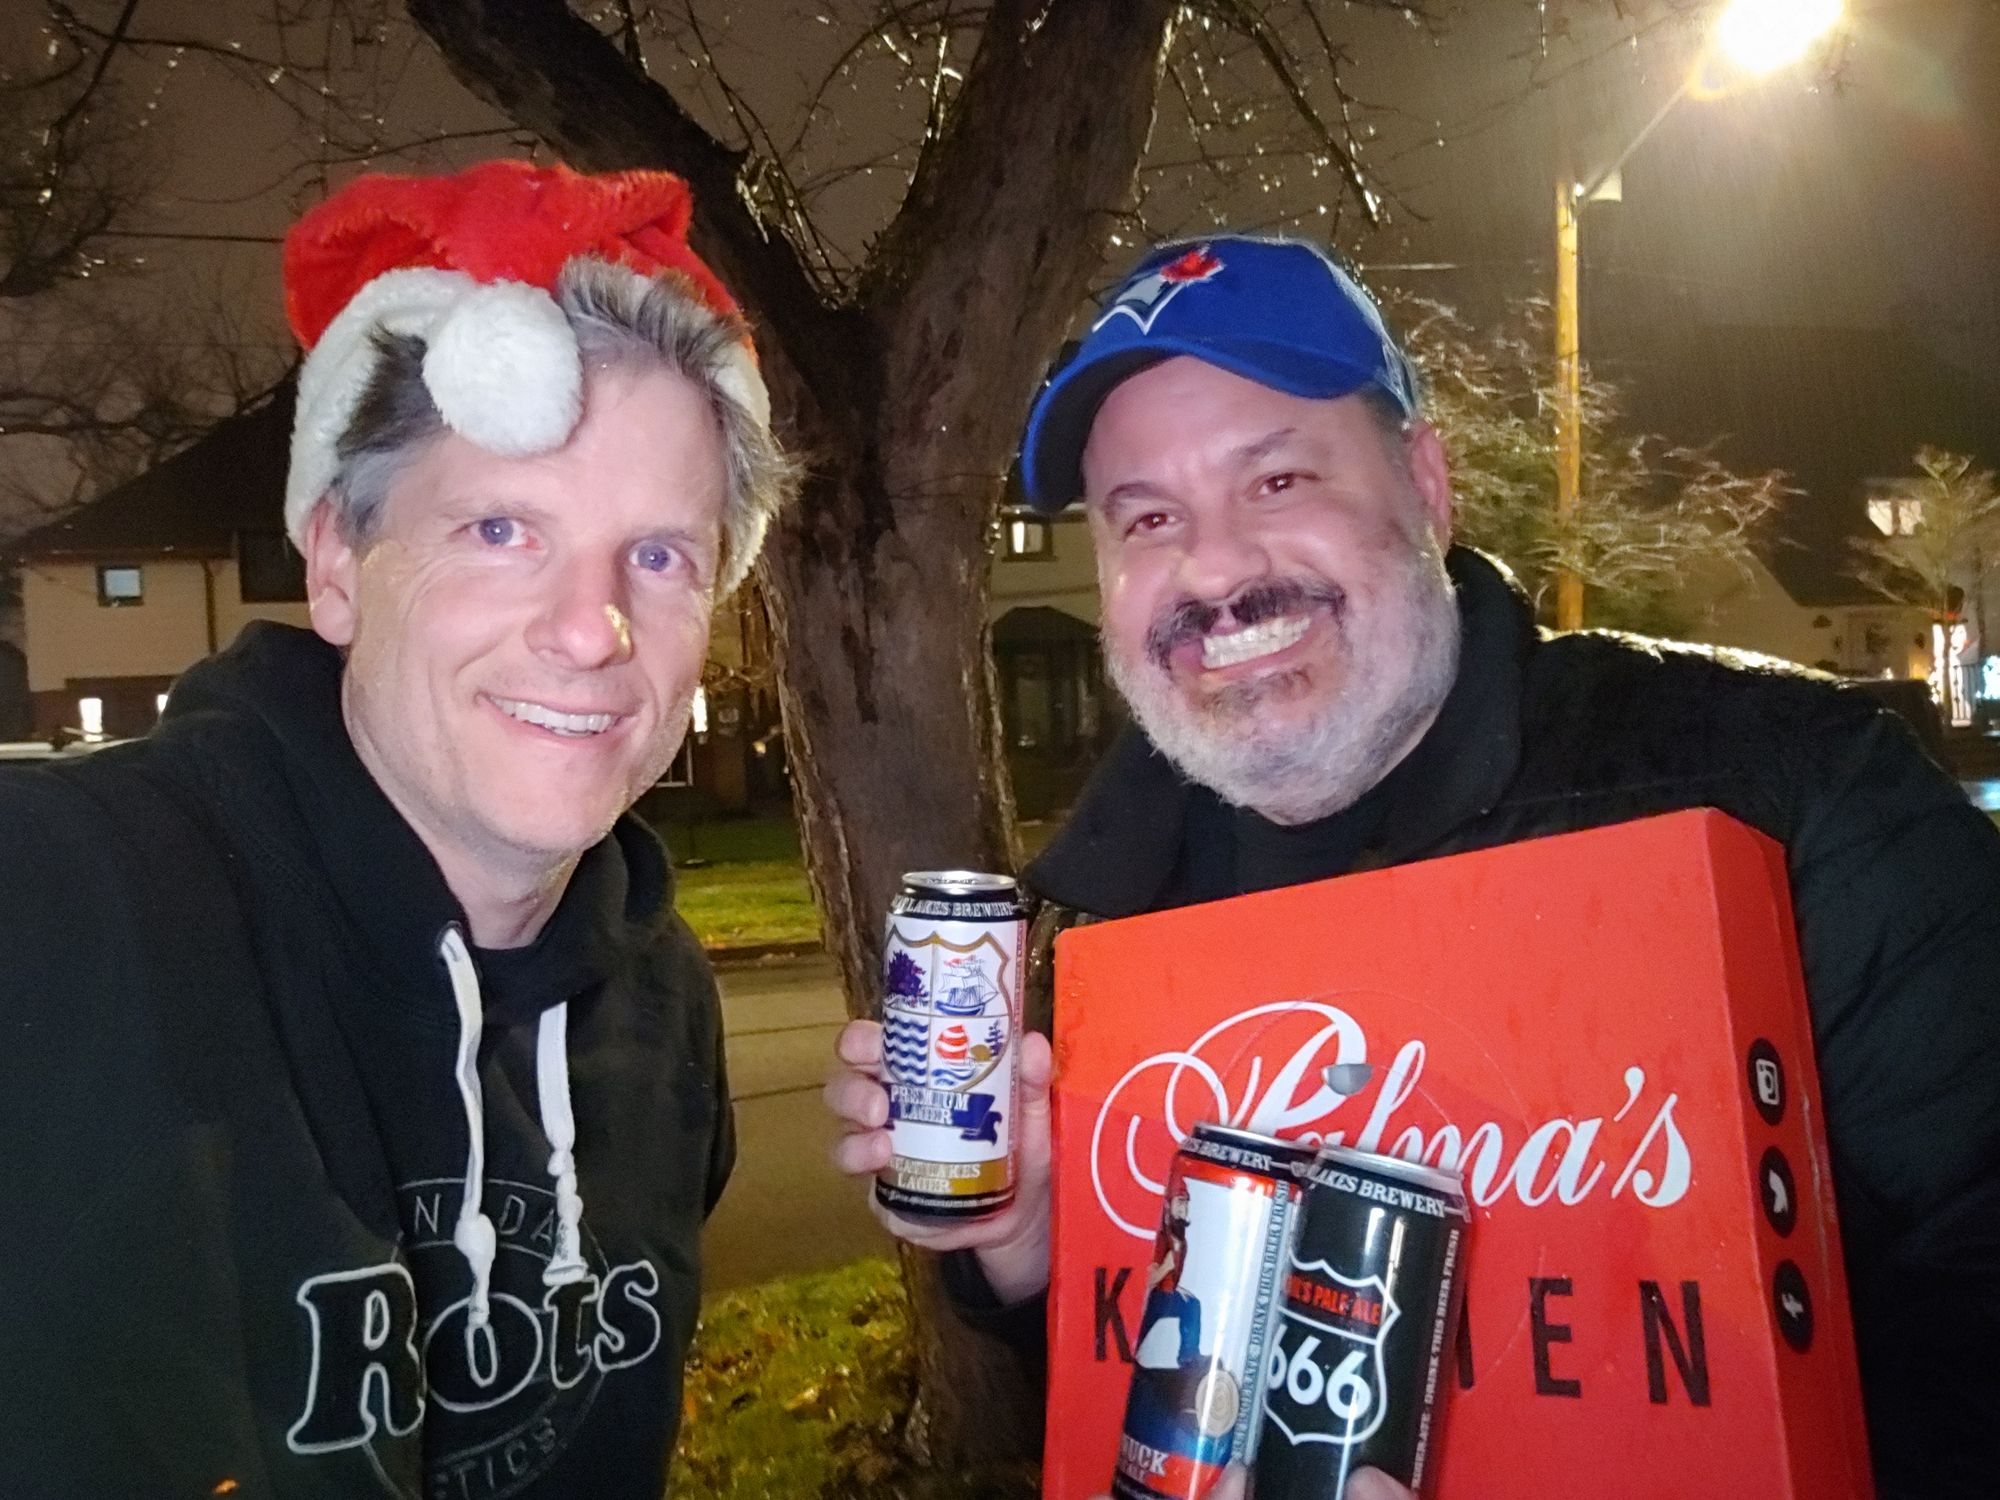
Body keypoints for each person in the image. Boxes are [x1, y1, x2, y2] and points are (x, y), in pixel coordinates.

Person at [826, 234, 2000, 1499]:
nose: (1212, 568)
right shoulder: (1097, 938)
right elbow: (1161, 1408)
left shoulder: (1789, 798)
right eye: (1149, 518)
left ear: (1426, 489)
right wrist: (1037, 1255)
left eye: (1276, 479)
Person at [0, 160, 794, 1498]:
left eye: (659, 557)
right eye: (501, 529)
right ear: (335, 564)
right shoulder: (62, 897)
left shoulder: (660, 1007)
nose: (591, 630)